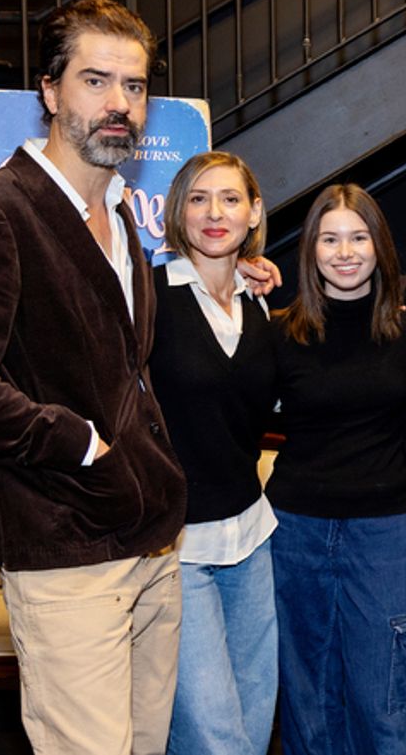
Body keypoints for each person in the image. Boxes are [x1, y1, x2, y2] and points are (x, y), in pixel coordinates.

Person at [0, 0, 187, 754]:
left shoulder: (126, 216)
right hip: (66, 552)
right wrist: (76, 444)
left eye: (134, 86)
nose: (119, 104)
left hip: (153, 547)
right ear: (49, 90)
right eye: (95, 81)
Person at [268, 184, 406, 755]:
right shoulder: (281, 331)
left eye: (358, 237)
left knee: (383, 696)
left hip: (383, 532)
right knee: (308, 700)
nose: (345, 251)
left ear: (379, 245)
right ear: (310, 250)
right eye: (329, 238)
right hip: (297, 530)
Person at [149, 151, 278, 755]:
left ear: (253, 213)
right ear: (178, 211)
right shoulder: (148, 297)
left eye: (230, 199)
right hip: (178, 546)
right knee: (212, 732)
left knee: (254, 721)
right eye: (198, 199)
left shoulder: (259, 303)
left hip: (252, 537)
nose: (214, 213)